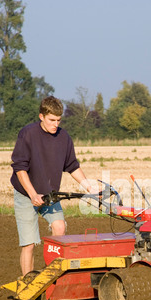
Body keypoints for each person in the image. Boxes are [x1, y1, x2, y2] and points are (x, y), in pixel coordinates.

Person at [10, 96, 95, 277]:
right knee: (29, 243)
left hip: (50, 195)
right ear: (41, 116)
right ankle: (28, 283)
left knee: (59, 228)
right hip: (26, 194)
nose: (55, 124)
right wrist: (32, 194)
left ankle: (54, 275)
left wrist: (89, 187)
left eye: (58, 120)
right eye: (51, 120)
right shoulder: (28, 134)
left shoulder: (63, 137)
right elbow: (20, 168)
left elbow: (72, 166)